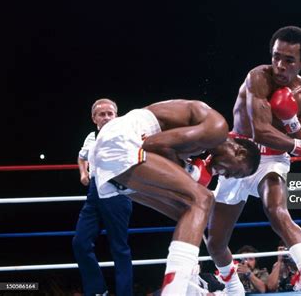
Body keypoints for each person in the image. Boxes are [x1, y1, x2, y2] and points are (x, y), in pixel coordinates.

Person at [207, 26, 301, 296]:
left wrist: (290, 120)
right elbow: (260, 131)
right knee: (216, 241)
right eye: (276, 56)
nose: (279, 65)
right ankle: (232, 287)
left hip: (273, 159)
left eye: (289, 60)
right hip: (238, 156)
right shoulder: (258, 77)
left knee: (277, 212)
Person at [92, 99, 261, 296]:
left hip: (114, 152)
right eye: (235, 172)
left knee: (186, 211)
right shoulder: (217, 129)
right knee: (203, 199)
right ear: (239, 152)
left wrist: (187, 169)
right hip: (123, 139)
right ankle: (175, 289)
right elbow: (152, 143)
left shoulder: (199, 144)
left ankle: (189, 276)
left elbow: (160, 147)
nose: (226, 176)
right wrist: (187, 171)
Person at [73, 98, 134, 296]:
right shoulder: (91, 137)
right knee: (80, 243)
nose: (107, 117)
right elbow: (81, 157)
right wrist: (83, 173)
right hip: (94, 195)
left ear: (116, 116)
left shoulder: (126, 135)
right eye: (102, 114)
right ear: (94, 118)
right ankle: (98, 291)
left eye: (110, 113)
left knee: (119, 248)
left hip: (117, 194)